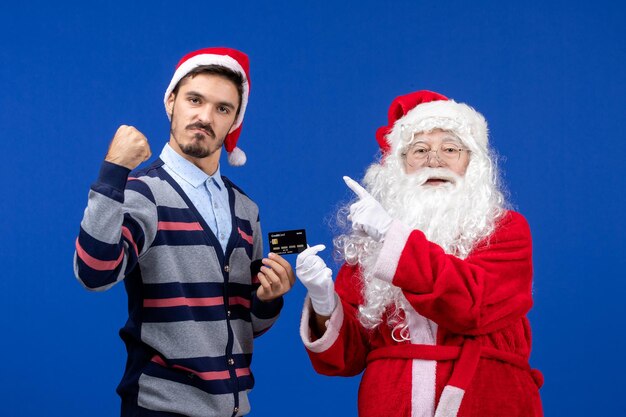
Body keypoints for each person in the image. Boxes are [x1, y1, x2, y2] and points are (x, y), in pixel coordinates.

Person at [73, 47, 294, 417]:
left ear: (233, 121)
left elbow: (247, 326)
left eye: (222, 109)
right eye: (195, 99)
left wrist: (268, 298)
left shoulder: (245, 209)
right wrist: (114, 170)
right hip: (161, 408)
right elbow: (93, 273)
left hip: (233, 408)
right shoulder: (142, 192)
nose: (205, 117)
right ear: (172, 101)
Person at [296, 91, 543, 417]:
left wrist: (391, 234)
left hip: (488, 400)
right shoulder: (371, 244)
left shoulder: (506, 230)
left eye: (450, 149)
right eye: (420, 150)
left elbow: (471, 307)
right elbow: (348, 357)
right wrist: (324, 303)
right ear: (398, 166)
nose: (434, 160)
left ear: (473, 162)